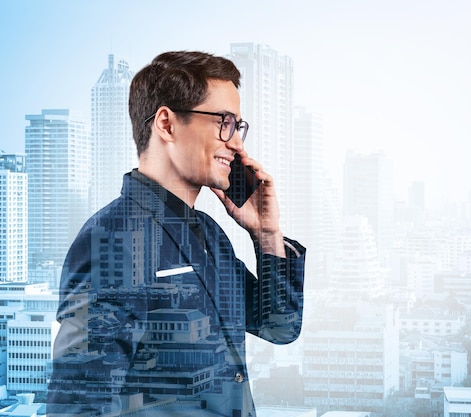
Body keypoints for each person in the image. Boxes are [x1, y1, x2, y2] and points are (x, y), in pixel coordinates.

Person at [47, 51, 306, 417]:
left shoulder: (210, 236)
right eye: (224, 122)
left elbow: (279, 326)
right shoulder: (113, 239)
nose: (236, 144)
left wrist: (267, 234)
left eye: (238, 126)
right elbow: (76, 408)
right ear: (166, 124)